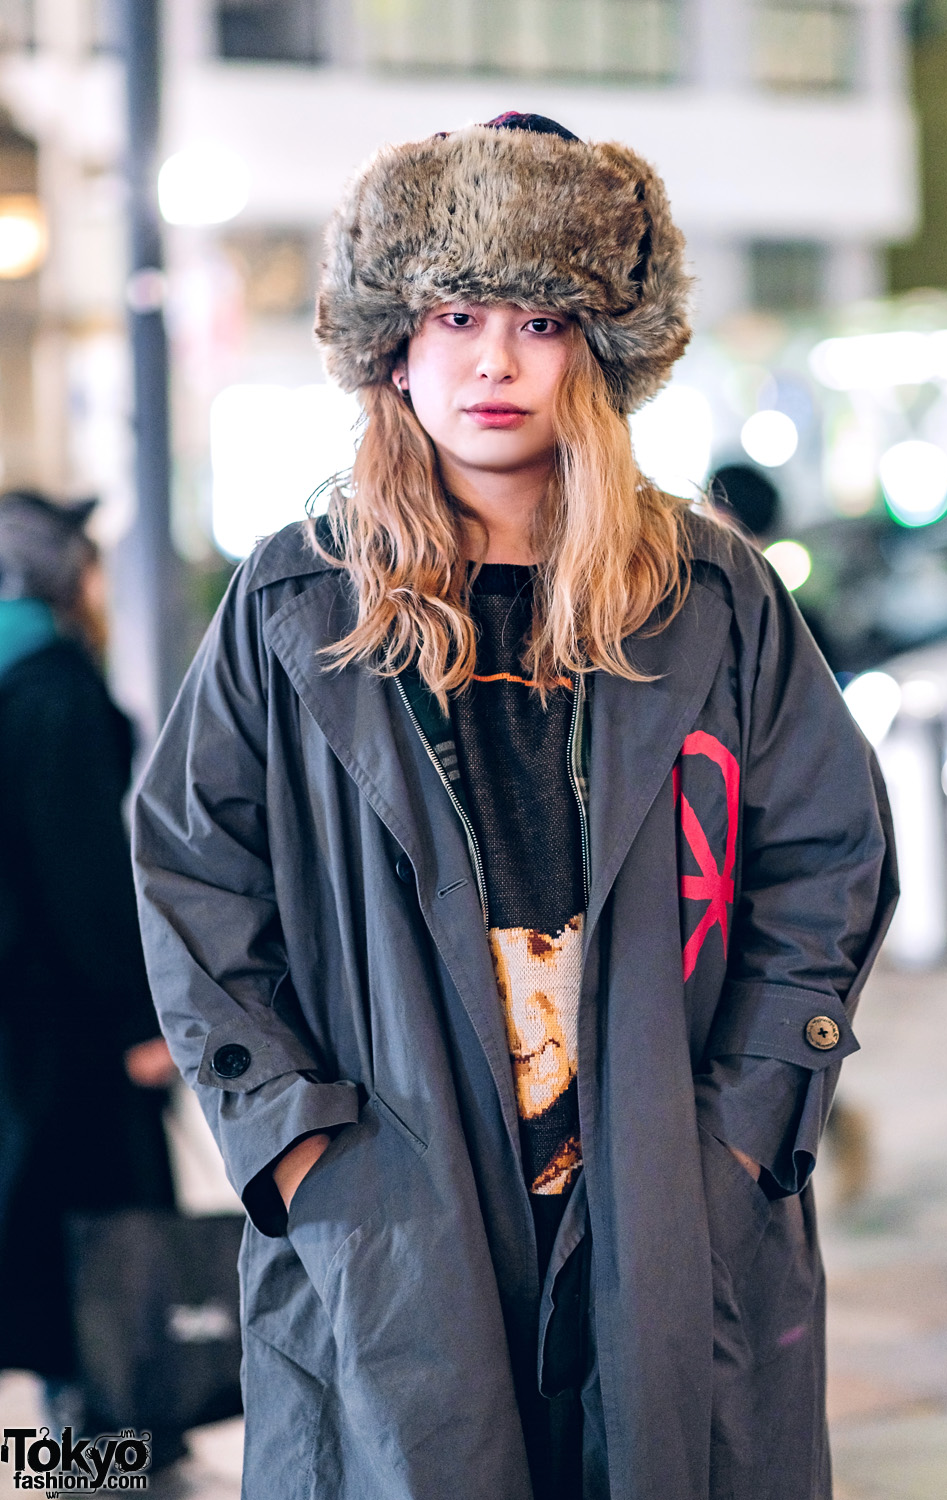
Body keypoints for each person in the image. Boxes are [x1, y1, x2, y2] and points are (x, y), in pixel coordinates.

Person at [132, 115, 898, 1500]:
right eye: (457, 312)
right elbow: (196, 879)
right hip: (392, 1197)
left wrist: (742, 1131)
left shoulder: (713, 601)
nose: (494, 360)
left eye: (542, 318)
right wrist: (303, 1149)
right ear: (394, 343)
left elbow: (827, 856)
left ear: (599, 351)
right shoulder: (298, 602)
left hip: (669, 1193)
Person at [0, 491, 176, 1434]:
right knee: (102, 1237)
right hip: (67, 1025)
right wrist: (138, 1022)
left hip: (15, 1020)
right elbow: (85, 876)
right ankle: (102, 1443)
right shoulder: (54, 687)